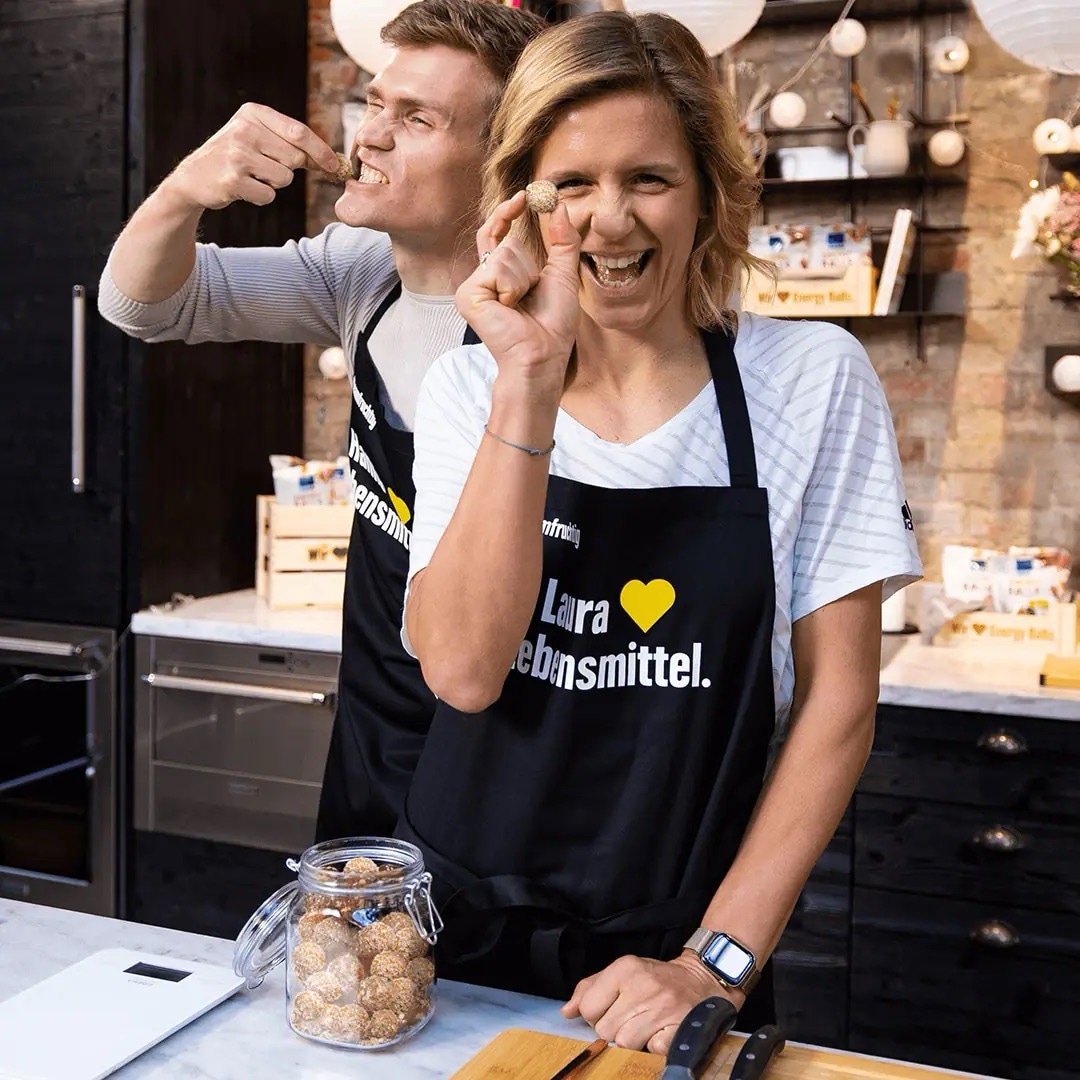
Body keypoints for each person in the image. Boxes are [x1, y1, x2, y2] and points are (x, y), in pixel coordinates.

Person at [400, 10, 922, 1053]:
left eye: (650, 179)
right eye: (572, 187)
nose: (611, 222)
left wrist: (713, 960)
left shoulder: (811, 381)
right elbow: (461, 669)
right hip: (455, 951)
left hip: (681, 964)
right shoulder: (473, 384)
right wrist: (529, 387)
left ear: (709, 192)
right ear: (522, 206)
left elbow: (838, 704)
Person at [98, 0, 545, 841]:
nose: (370, 135)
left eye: (415, 118)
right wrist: (184, 188)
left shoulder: (548, 334)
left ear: (503, 163)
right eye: (375, 104)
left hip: (516, 760)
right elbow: (142, 306)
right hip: (374, 743)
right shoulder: (361, 275)